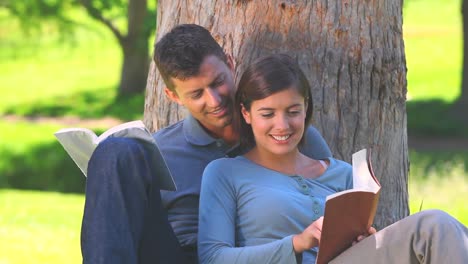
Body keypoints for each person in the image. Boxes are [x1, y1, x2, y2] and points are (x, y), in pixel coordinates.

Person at [80, 24, 332, 264]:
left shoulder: (287, 136)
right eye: (196, 94)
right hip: (175, 255)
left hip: (254, 255)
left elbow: (327, 209)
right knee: (116, 151)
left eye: (217, 82)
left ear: (230, 64)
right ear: (173, 96)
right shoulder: (159, 150)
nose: (214, 101)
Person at [198, 54, 468, 264]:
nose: (282, 125)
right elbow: (213, 258)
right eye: (267, 114)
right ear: (246, 114)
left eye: (293, 111)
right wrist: (296, 243)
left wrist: (362, 242)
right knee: (433, 226)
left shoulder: (344, 173)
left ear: (306, 109)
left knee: (441, 230)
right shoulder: (225, 173)